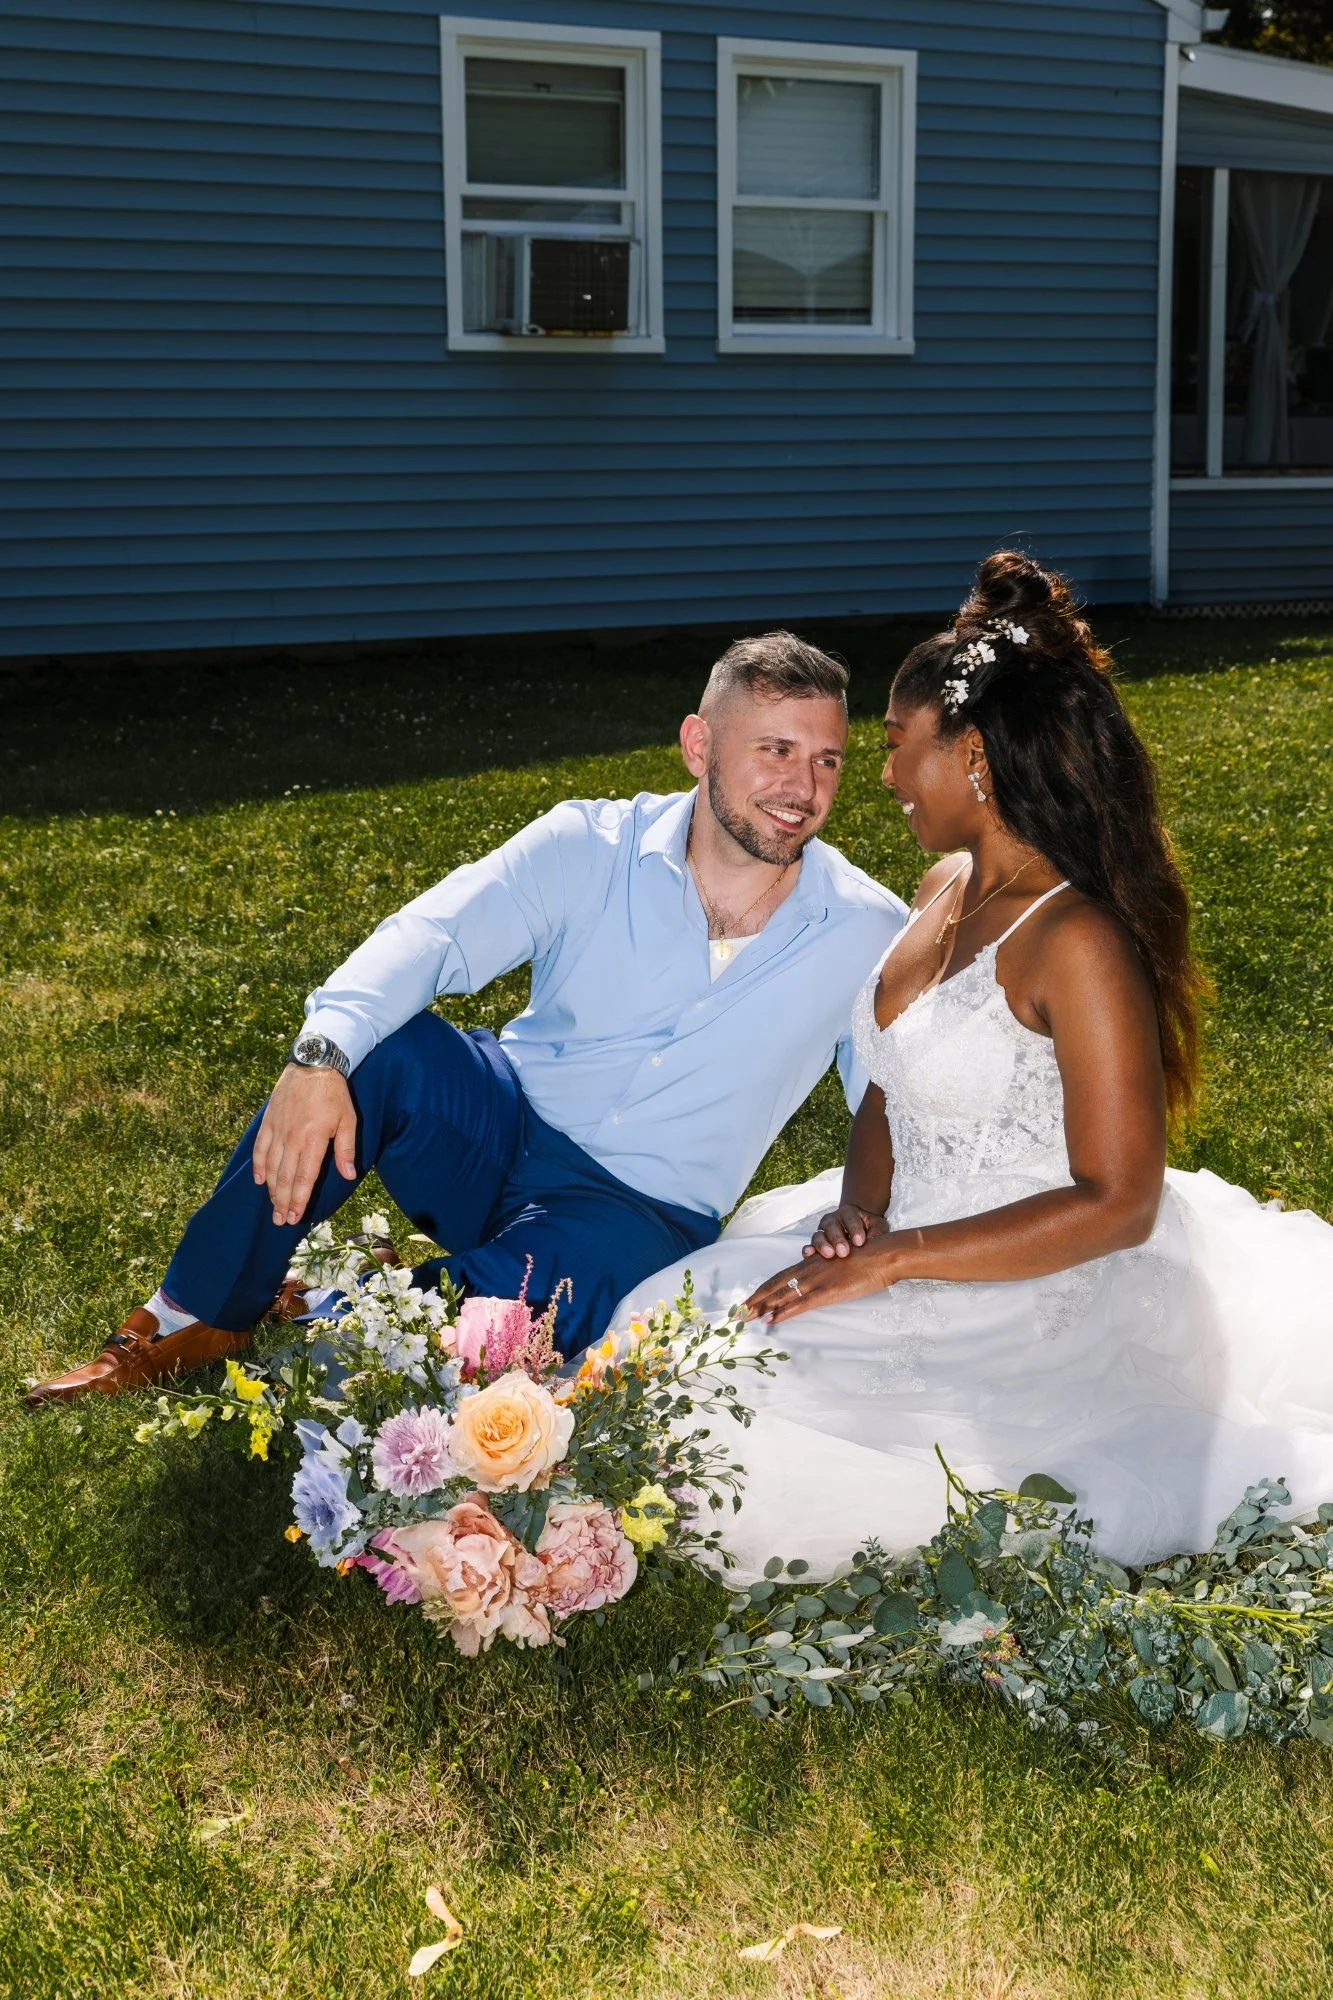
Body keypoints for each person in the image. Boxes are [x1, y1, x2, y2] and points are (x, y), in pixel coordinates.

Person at [609, 553, 1333, 1576]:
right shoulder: (941, 886)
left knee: (752, 1426)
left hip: (1040, 1285)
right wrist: (859, 1210)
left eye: (901, 746)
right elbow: (888, 1084)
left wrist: (897, 1257)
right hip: (899, 1238)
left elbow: (1117, 1199)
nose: (886, 773)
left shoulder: (1072, 940)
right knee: (665, 1332)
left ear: (977, 756)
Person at [25, 633, 906, 1406]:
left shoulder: (867, 930)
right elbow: (431, 934)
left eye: (825, 759)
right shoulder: (585, 845)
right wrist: (316, 1058)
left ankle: (327, 1317)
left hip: (632, 1213)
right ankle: (192, 1314)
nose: (802, 787)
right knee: (381, 1051)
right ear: (698, 744)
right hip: (498, 1126)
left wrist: (868, 1213)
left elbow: (892, 1100)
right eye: (776, 750)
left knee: (462, 1337)